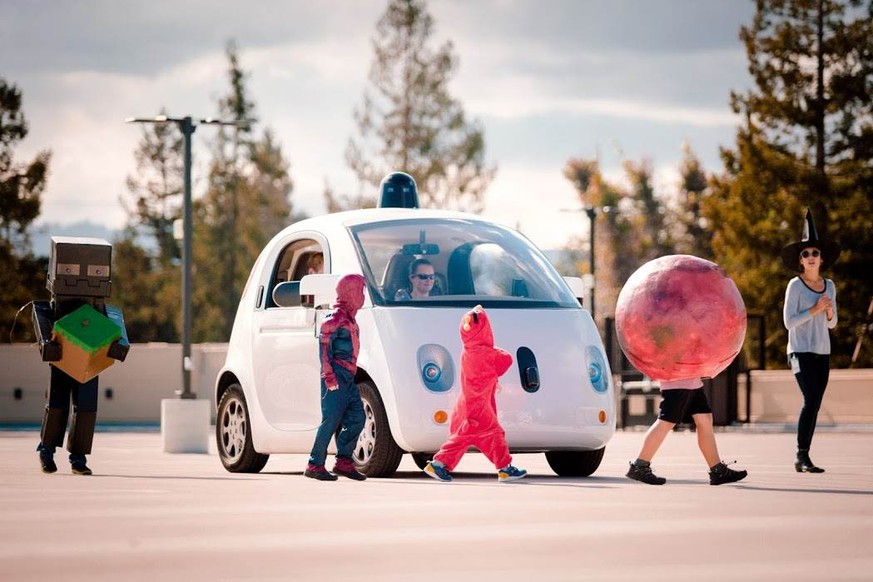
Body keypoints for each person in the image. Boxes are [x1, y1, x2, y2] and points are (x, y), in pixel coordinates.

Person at [31, 237, 129, 476]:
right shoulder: (53, 306)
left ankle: (78, 458)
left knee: (86, 409)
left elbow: (116, 326)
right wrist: (47, 344)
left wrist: (119, 345)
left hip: (90, 359)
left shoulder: (101, 306)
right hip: (63, 357)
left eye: (96, 271)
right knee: (56, 405)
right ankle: (47, 451)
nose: (82, 275)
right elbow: (42, 321)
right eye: (69, 270)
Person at [423, 305, 527, 483]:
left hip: (465, 404)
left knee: (462, 439)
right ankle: (503, 469)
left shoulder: (468, 352)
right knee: (494, 434)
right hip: (478, 407)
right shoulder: (488, 354)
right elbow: (507, 358)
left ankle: (441, 464)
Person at [781, 209, 840, 473]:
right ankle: (801, 455)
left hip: (821, 351)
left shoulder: (830, 285)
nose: (811, 257)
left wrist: (827, 311)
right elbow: (789, 322)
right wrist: (813, 310)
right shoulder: (795, 285)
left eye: (815, 252)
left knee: (815, 402)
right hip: (800, 351)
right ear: (801, 261)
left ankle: (803, 456)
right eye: (806, 254)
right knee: (811, 399)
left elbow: (833, 323)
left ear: (822, 258)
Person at [626, 377, 748, 486]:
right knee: (666, 421)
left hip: (692, 380)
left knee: (704, 418)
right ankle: (639, 466)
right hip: (678, 380)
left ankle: (718, 470)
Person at [304, 273, 368, 481]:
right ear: (350, 293)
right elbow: (324, 351)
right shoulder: (334, 320)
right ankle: (314, 464)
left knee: (357, 417)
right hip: (337, 375)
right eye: (360, 291)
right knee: (331, 420)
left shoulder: (350, 319)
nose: (363, 296)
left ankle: (343, 461)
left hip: (348, 376)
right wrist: (329, 376)